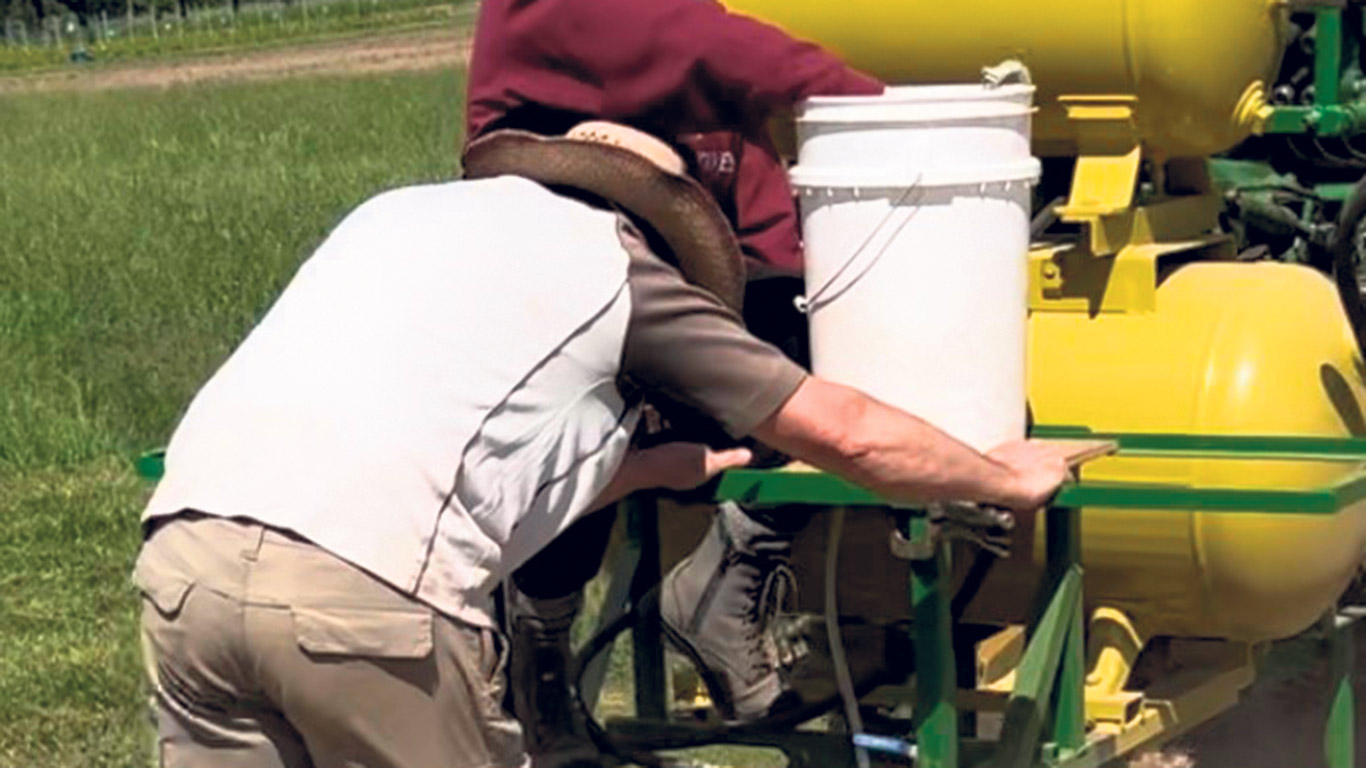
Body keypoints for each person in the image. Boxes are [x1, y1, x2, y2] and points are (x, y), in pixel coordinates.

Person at [132, 122, 1068, 768]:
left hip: (186, 566)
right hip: (361, 603)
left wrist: (654, 470)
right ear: (657, 228)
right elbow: (844, 431)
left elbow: (445, 426)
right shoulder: (618, 266)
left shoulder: (395, 216)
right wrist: (998, 474)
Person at [463, 0, 888, 745]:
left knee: (845, 353)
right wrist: (884, 108)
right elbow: (717, 50)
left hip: (681, 293)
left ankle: (726, 579)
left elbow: (762, 220)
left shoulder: (699, 43)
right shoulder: (553, 12)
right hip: (557, 278)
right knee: (575, 414)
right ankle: (539, 645)